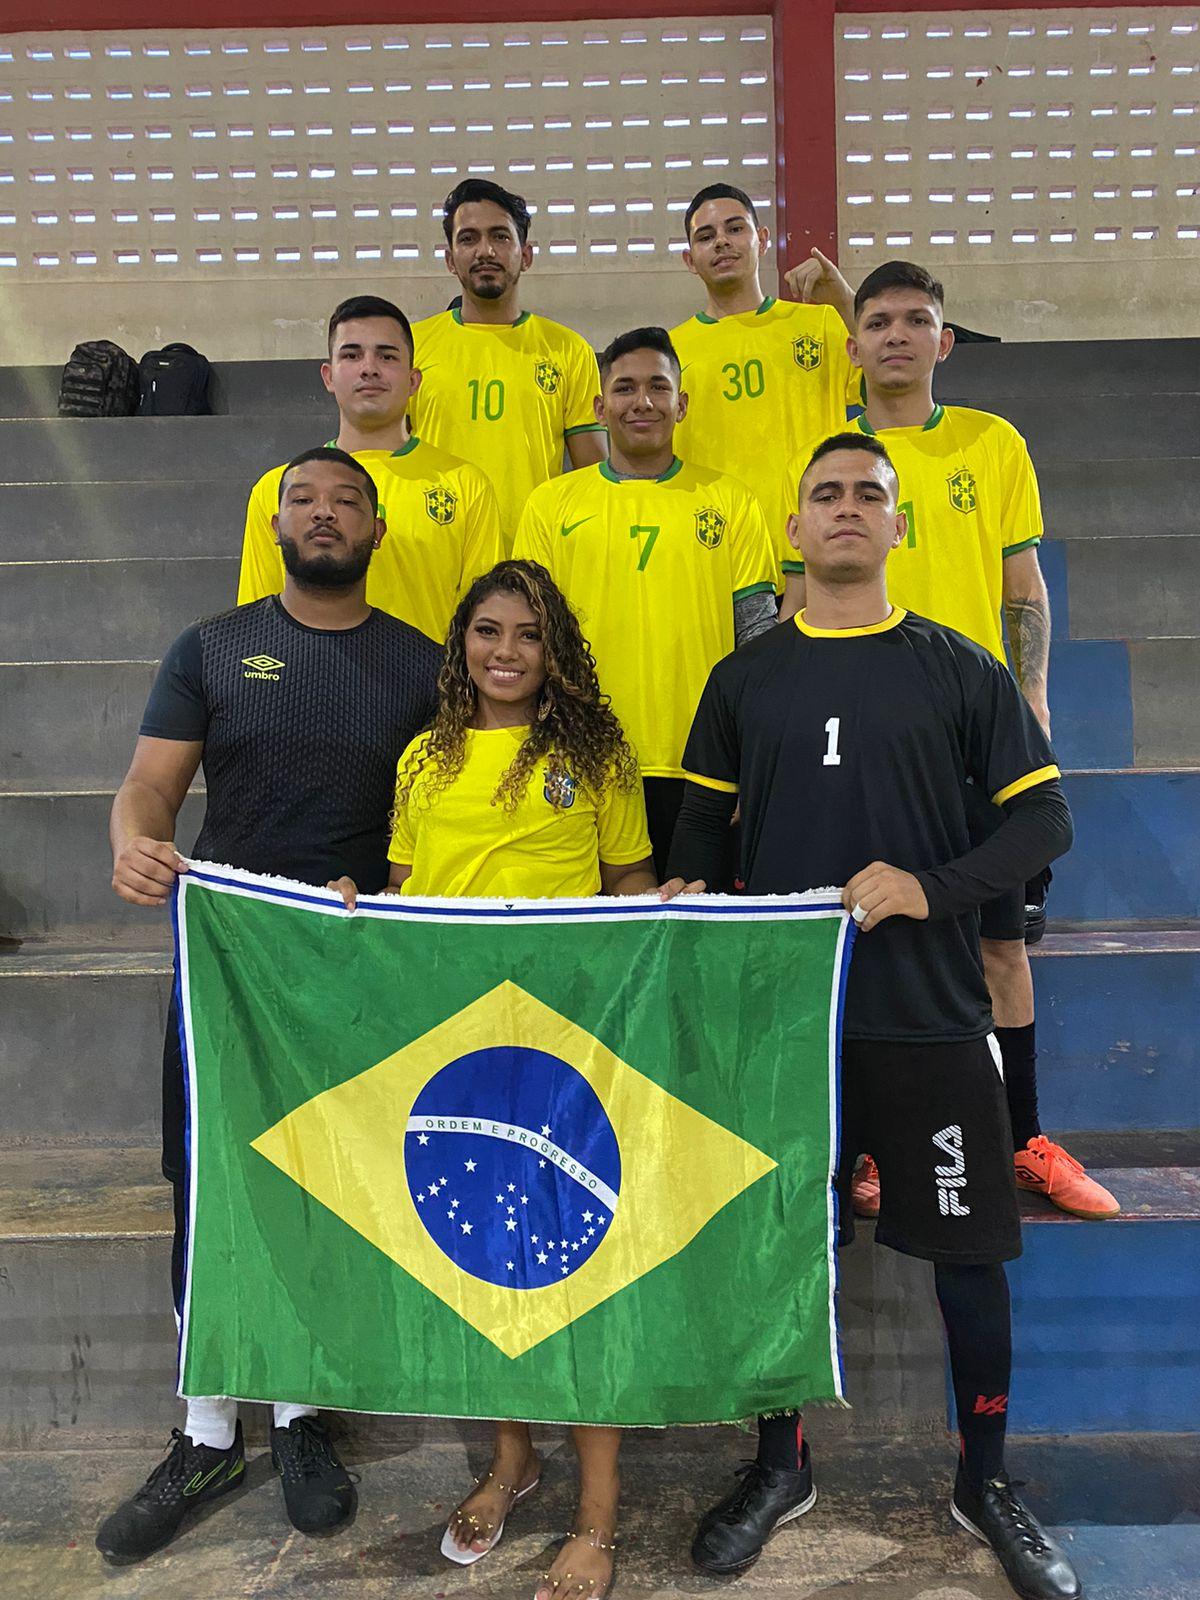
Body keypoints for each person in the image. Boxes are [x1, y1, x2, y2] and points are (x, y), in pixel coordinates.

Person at [663, 433, 1080, 1600]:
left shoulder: (961, 669)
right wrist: (689, 894)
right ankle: (779, 1464)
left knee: (971, 1258)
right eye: (825, 495)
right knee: (783, 1251)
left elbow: (1044, 826)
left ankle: (984, 1479)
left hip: (932, 1016)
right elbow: (699, 840)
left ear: (902, 527)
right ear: (791, 531)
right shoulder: (743, 679)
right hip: (785, 1027)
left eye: (870, 496)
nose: (847, 510)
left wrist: (928, 886)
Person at [97, 448, 442, 1563]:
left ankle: (299, 1418)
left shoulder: (421, 665)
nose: (325, 514)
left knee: (322, 1179)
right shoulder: (214, 646)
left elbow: (439, 824)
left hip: (351, 966)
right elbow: (151, 782)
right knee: (208, 1183)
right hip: (229, 958)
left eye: (347, 501)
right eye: (305, 499)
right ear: (277, 522)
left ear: (378, 529)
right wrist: (134, 838)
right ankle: (204, 1432)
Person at [329, 558, 656, 1600]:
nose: (505, 652)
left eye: (527, 634)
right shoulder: (425, 757)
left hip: (566, 1054)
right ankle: (513, 1457)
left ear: (555, 649)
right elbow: (407, 892)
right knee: (488, 1262)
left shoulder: (596, 752)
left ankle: (597, 1513)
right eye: (487, 632)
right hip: (459, 1051)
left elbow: (631, 893)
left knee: (579, 1267)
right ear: (460, 643)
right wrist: (357, 907)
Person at [785, 260, 1117, 1222]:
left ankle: (1021, 1140)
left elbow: (1023, 590)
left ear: (945, 339)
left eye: (916, 319)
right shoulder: (828, 462)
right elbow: (789, 599)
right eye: (877, 319)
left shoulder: (992, 442)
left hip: (972, 735)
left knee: (1000, 952)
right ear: (852, 343)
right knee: (864, 948)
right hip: (860, 744)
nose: (895, 334)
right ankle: (875, 1149)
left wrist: (1034, 699)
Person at [511, 326, 779, 875]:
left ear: (681, 405)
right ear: (599, 404)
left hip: (703, 766)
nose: (642, 402)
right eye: (625, 388)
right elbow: (528, 637)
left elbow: (758, 643)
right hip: (583, 758)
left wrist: (759, 762)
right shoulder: (550, 504)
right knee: (596, 946)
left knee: (697, 943)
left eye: (658, 388)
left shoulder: (731, 501)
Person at [238, 294, 504, 643]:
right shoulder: (280, 490)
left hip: (430, 691)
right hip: (309, 690)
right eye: (351, 354)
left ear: (413, 381)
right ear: (328, 376)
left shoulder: (466, 485)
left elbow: (484, 623)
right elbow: (258, 623)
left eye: (386, 355)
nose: (369, 368)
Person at [669, 183, 861, 576]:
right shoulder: (669, 352)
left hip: (814, 553)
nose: (721, 242)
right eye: (706, 236)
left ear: (762, 239)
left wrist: (844, 300)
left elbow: (890, 382)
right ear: (690, 259)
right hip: (717, 557)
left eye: (734, 229)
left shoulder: (821, 322)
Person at [407, 179, 609, 546]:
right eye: (468, 238)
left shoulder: (567, 349)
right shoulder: (411, 347)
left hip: (532, 553)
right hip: (433, 551)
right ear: (450, 259)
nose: (485, 251)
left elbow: (593, 478)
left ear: (525, 255)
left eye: (500, 236)